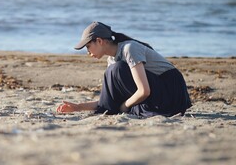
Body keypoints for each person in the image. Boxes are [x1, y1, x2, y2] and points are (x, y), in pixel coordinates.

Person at [57, 21, 192, 117]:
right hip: (158, 95)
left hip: (171, 93)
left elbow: (144, 91)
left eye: (87, 47)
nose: (87, 52)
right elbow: (108, 100)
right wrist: (78, 107)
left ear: (99, 41)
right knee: (114, 70)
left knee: (117, 69)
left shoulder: (129, 49)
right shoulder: (111, 60)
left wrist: (124, 106)